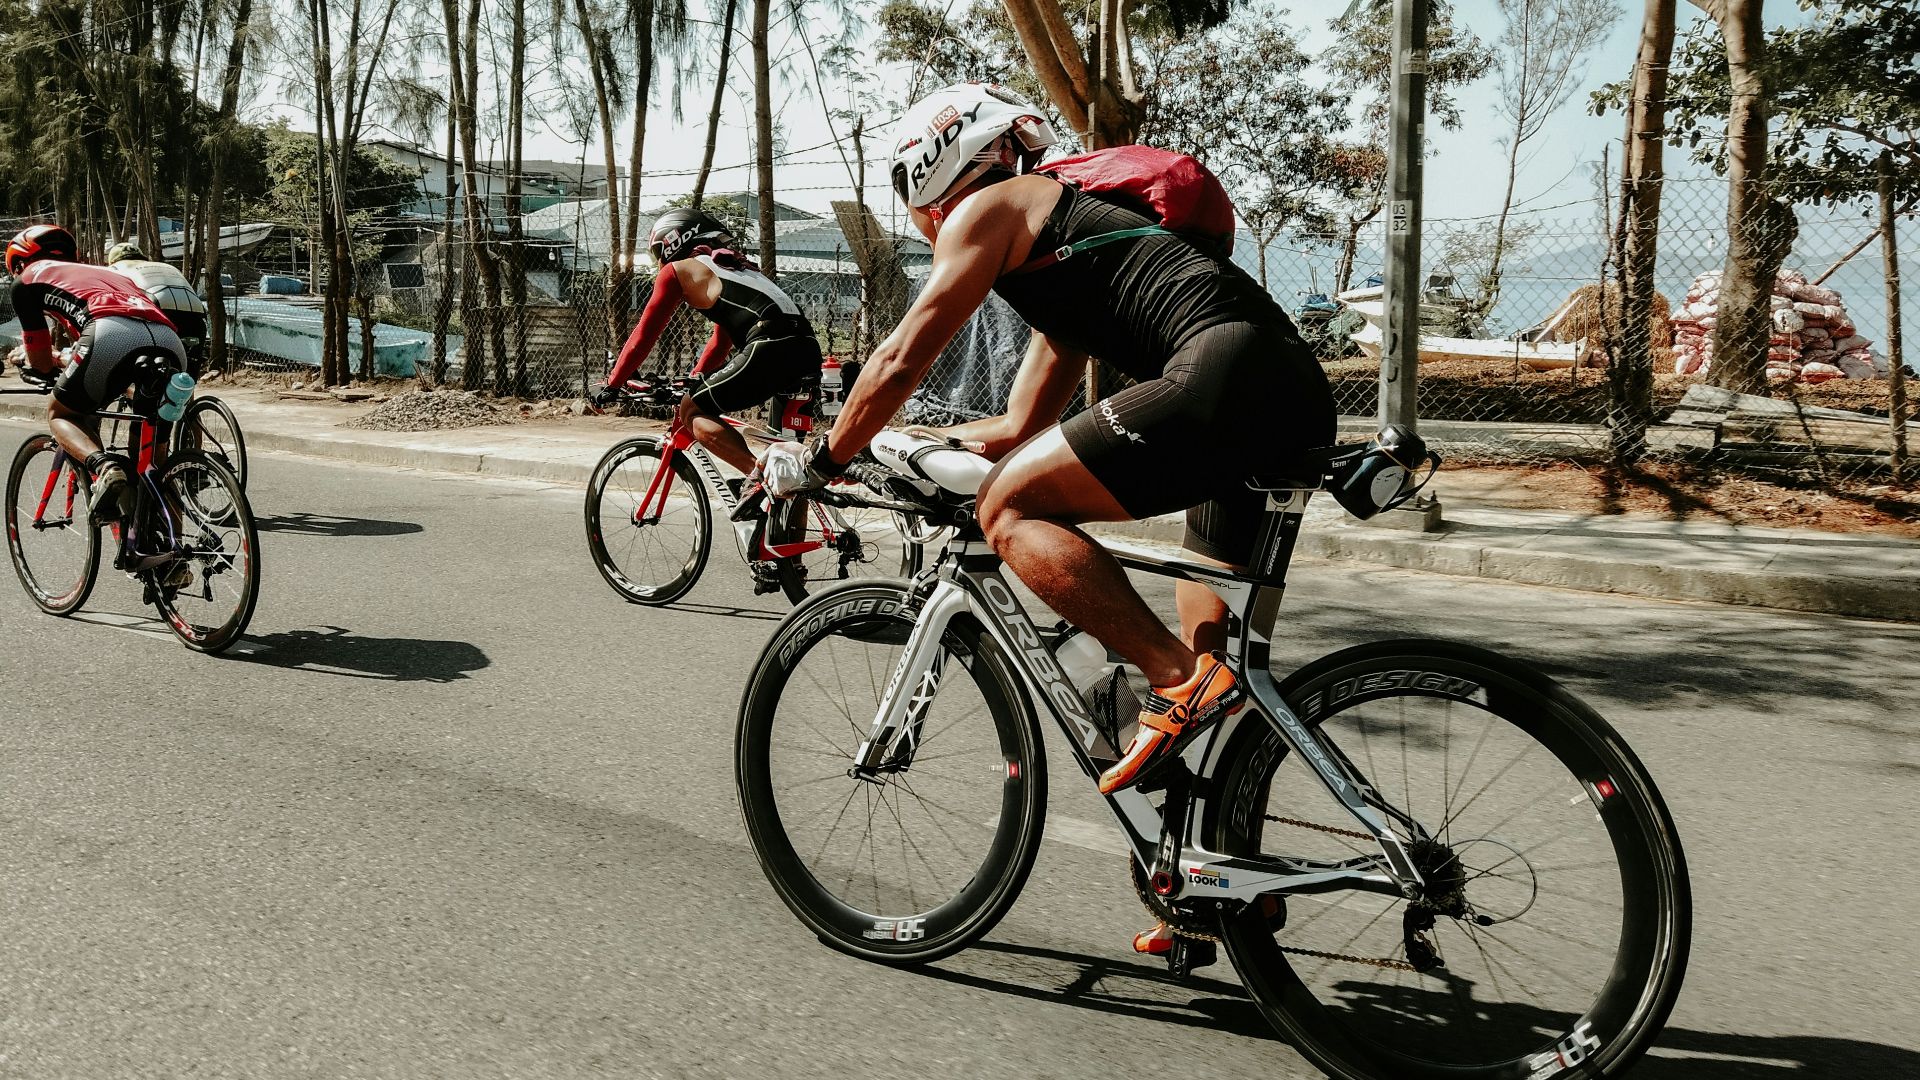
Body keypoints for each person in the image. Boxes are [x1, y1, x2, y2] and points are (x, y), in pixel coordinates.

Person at [757, 83, 1335, 956]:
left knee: (1012, 509)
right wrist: (915, 444)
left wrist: (827, 459)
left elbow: (902, 353)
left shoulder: (993, 206)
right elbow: (1022, 427)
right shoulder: (1065, 251)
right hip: (1281, 396)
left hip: (1220, 377)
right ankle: (1217, 890)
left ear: (934, 168)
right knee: (1215, 696)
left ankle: (1178, 679)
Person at [591, 208, 822, 477]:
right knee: (788, 462)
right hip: (807, 350)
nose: (659, 263)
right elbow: (720, 343)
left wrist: (612, 383)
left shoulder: (678, 270)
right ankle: (786, 502)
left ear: (671, 242)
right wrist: (697, 377)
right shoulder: (736, 269)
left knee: (692, 409)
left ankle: (758, 479)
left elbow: (644, 335)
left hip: (769, 347)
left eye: (658, 254)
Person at [4, 224, 190, 523]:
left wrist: (30, 359)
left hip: (108, 333)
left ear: (20, 262)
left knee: (61, 413)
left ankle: (104, 467)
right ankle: (170, 559)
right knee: (154, 466)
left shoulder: (26, 280)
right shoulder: (106, 275)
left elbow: (42, 362)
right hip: (169, 339)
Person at [105, 242, 209, 373]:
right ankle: (186, 391)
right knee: (186, 373)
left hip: (160, 314)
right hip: (197, 315)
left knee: (141, 364)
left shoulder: (114, 269)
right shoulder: (167, 266)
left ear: (112, 260)